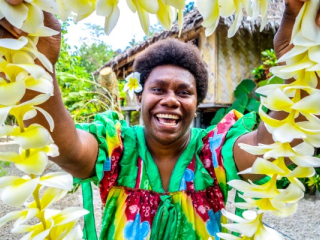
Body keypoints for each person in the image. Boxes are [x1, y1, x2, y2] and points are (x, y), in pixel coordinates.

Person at [1, 0, 320, 239]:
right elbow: (67, 149)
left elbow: (274, 147)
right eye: (158, 89)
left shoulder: (212, 152)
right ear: (139, 97)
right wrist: (37, 63)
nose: (170, 99)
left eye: (184, 92)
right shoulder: (117, 149)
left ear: (197, 104)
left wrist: (300, 61)